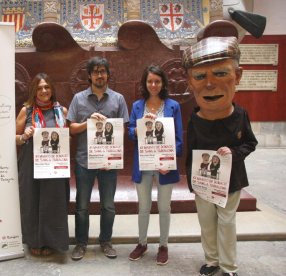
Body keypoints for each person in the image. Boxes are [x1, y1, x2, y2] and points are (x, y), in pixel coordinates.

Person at [183, 36, 258, 276]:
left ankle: (229, 266)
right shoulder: (194, 119)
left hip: (231, 180)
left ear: (238, 76)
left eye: (220, 73)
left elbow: (250, 142)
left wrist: (234, 153)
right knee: (207, 223)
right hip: (204, 181)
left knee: (226, 223)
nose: (210, 84)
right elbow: (191, 151)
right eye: (200, 76)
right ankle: (212, 261)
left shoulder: (241, 115)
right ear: (190, 82)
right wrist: (192, 183)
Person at [67, 56, 129, 260]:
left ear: (108, 74)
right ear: (89, 75)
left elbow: (123, 129)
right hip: (84, 161)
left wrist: (110, 156)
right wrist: (88, 122)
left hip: (109, 162)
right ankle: (81, 244)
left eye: (103, 71)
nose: (99, 75)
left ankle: (106, 241)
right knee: (82, 206)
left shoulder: (118, 99)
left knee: (108, 206)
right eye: (95, 71)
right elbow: (72, 129)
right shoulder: (78, 98)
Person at [127, 65, 183, 264]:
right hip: (143, 164)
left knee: (164, 207)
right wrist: (141, 124)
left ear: (163, 83)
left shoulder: (173, 106)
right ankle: (142, 243)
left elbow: (178, 138)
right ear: (145, 83)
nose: (153, 85)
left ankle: (163, 245)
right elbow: (130, 132)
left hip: (164, 166)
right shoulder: (137, 106)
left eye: (157, 81)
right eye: (150, 81)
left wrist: (169, 161)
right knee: (143, 207)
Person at [16, 73, 69, 256]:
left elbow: (68, 136)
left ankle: (52, 243)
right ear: (34, 91)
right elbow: (13, 139)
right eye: (39, 88)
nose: (44, 91)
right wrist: (24, 136)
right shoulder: (26, 111)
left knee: (53, 203)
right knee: (32, 201)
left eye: (47, 87)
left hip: (55, 164)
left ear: (52, 89)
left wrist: (65, 137)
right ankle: (34, 241)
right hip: (31, 164)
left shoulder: (61, 111)